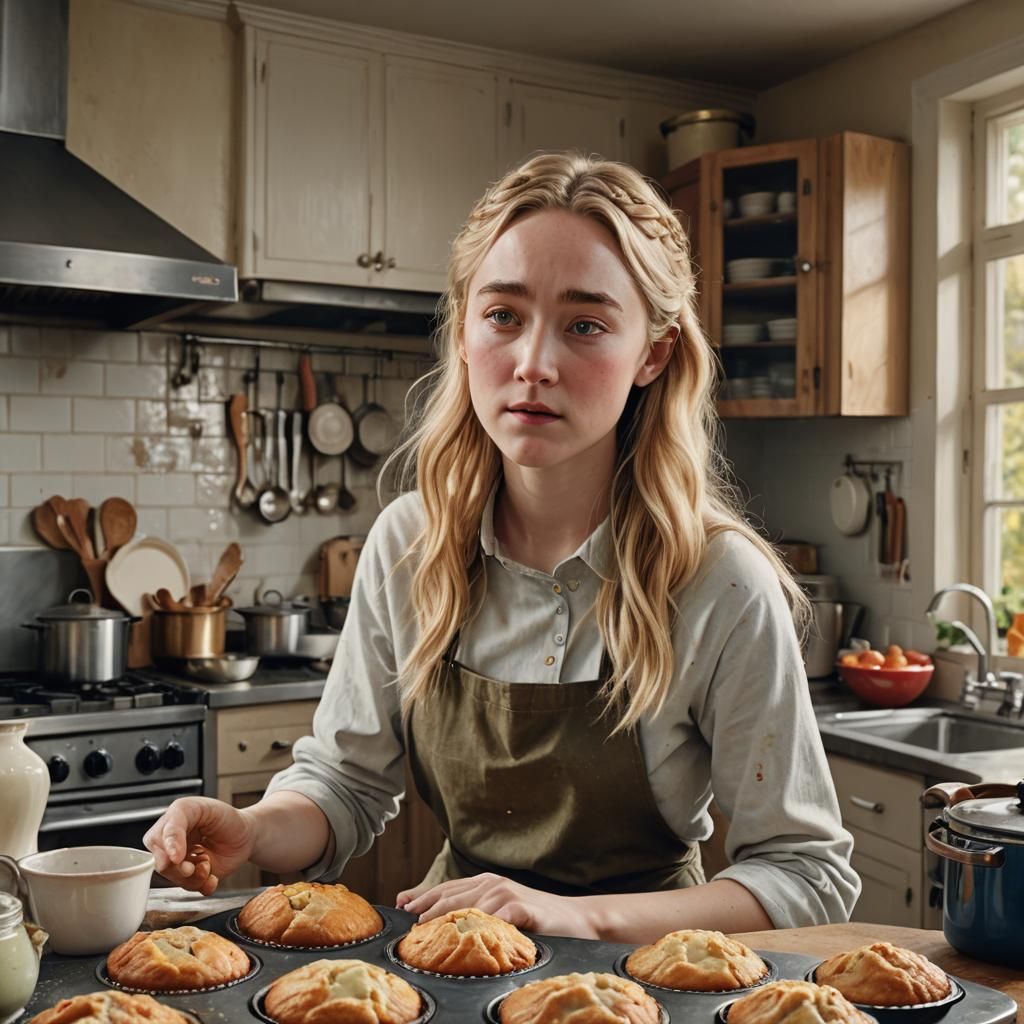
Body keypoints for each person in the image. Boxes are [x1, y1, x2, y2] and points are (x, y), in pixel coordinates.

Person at [144, 152, 859, 943]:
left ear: (653, 354)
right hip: (449, 960)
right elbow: (344, 784)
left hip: (645, 975)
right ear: (463, 330)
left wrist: (577, 918)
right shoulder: (410, 543)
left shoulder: (719, 580)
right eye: (503, 316)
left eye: (585, 325)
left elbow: (805, 874)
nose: (533, 365)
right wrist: (254, 828)